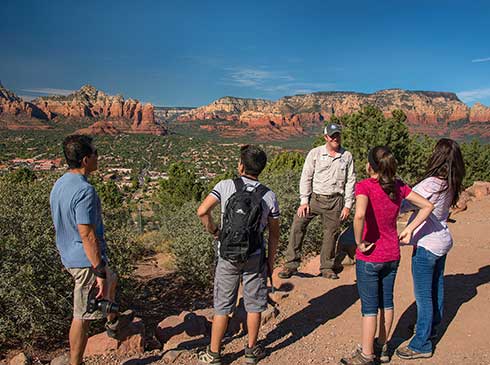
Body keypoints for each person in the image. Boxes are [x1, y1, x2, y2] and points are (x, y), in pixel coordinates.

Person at [340, 146, 434, 365]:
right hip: (392, 253)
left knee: (369, 307)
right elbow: (427, 205)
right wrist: (410, 229)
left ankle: (366, 354)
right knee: (387, 302)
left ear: (370, 165)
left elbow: (360, 215)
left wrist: (358, 242)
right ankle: (383, 347)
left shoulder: (364, 186)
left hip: (371, 255)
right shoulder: (399, 186)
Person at [50, 135, 132, 365]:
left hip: (68, 253)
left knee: (112, 278)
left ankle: (113, 322)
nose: (98, 157)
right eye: (95, 153)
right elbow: (86, 233)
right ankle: (76, 361)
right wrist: (97, 269)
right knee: (82, 316)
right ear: (86, 160)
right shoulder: (85, 191)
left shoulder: (60, 184)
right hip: (84, 260)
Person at [196, 145, 280, 365]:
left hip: (228, 255)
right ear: (261, 168)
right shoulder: (269, 195)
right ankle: (251, 351)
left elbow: (202, 211)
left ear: (241, 165)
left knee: (223, 305)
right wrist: (270, 261)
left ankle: (214, 354)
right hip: (255, 256)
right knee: (254, 305)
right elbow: (274, 234)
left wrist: (216, 231)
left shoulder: (225, 186)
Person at [396, 138, 465, 360]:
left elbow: (405, 203)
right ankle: (431, 329)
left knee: (423, 295)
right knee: (437, 288)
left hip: (427, 244)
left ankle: (421, 343)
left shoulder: (430, 184)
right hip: (442, 241)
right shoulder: (452, 181)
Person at [279, 123, 356, 280]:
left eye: (338, 135)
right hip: (315, 199)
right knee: (298, 225)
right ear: (326, 137)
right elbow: (306, 176)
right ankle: (291, 264)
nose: (335, 138)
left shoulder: (346, 156)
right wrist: (304, 201)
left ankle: (327, 267)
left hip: (335, 201)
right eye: (332, 136)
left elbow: (351, 181)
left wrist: (348, 205)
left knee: (331, 234)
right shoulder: (315, 153)